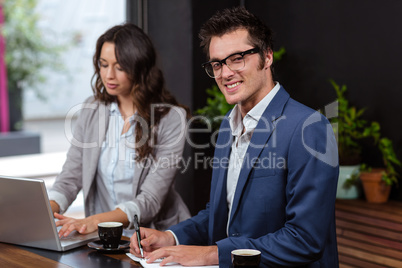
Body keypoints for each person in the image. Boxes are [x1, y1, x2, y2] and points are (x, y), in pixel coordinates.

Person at [130, 6, 339, 267]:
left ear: (267, 57)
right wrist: (171, 237)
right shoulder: (228, 126)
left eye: (237, 58)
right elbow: (222, 213)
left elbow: (304, 239)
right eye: (217, 63)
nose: (225, 73)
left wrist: (210, 254)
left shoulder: (309, 128)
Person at [48, 23, 191, 238]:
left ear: (140, 68)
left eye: (120, 67)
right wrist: (47, 209)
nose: (109, 75)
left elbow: (150, 200)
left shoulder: (170, 119)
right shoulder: (91, 110)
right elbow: (70, 178)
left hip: (156, 237)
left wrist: (93, 221)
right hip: (104, 238)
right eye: (103, 65)